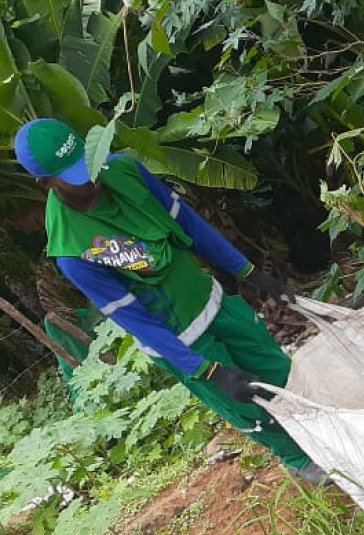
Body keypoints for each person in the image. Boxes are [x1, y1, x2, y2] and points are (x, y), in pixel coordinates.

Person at [15, 117, 326, 483]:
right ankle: (299, 460)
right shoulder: (73, 252)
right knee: (250, 408)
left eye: (88, 161)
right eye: (77, 175)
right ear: (46, 183)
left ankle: (327, 437)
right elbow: (137, 322)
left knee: (281, 373)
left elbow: (190, 226)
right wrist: (208, 370)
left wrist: (247, 271)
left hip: (217, 303)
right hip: (187, 343)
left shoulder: (125, 170)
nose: (93, 177)